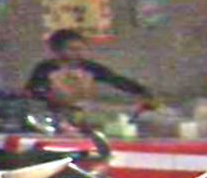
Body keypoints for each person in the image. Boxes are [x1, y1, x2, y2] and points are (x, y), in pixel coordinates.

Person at [25, 29, 156, 119]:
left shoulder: (89, 68)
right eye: (72, 49)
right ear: (57, 50)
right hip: (55, 116)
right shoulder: (45, 69)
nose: (79, 53)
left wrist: (142, 91)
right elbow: (33, 91)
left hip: (87, 115)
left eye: (81, 49)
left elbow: (115, 80)